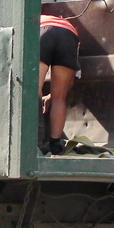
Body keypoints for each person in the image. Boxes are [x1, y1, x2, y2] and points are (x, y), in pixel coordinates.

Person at [39, 14, 81, 155]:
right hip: (68, 33)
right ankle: (55, 144)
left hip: (41, 30)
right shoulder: (64, 22)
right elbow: (70, 81)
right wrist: (52, 95)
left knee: (33, 92)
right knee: (59, 98)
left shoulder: (32, 18)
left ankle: (37, 143)